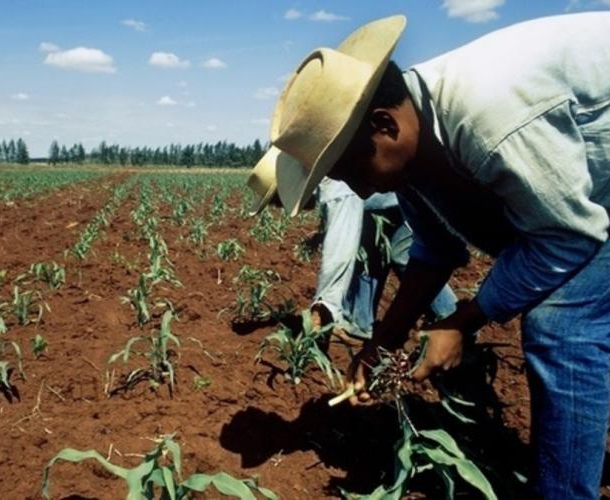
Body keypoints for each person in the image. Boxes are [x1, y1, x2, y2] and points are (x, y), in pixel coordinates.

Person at [256, 12, 610, 499]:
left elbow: (566, 235)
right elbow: (435, 251)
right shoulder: (416, 146)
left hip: (585, 209)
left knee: (561, 323)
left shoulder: (486, 118)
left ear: (385, 125)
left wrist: (462, 321)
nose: (359, 191)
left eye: (354, 172)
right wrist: (380, 342)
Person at [246, 153, 457, 345]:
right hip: (392, 201)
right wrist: (321, 233)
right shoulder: (322, 172)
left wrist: (324, 305)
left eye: (278, 200)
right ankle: (359, 326)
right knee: (371, 248)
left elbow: (340, 251)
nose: (283, 206)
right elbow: (343, 215)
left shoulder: (332, 182)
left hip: (415, 195)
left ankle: (455, 323)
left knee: (406, 257)